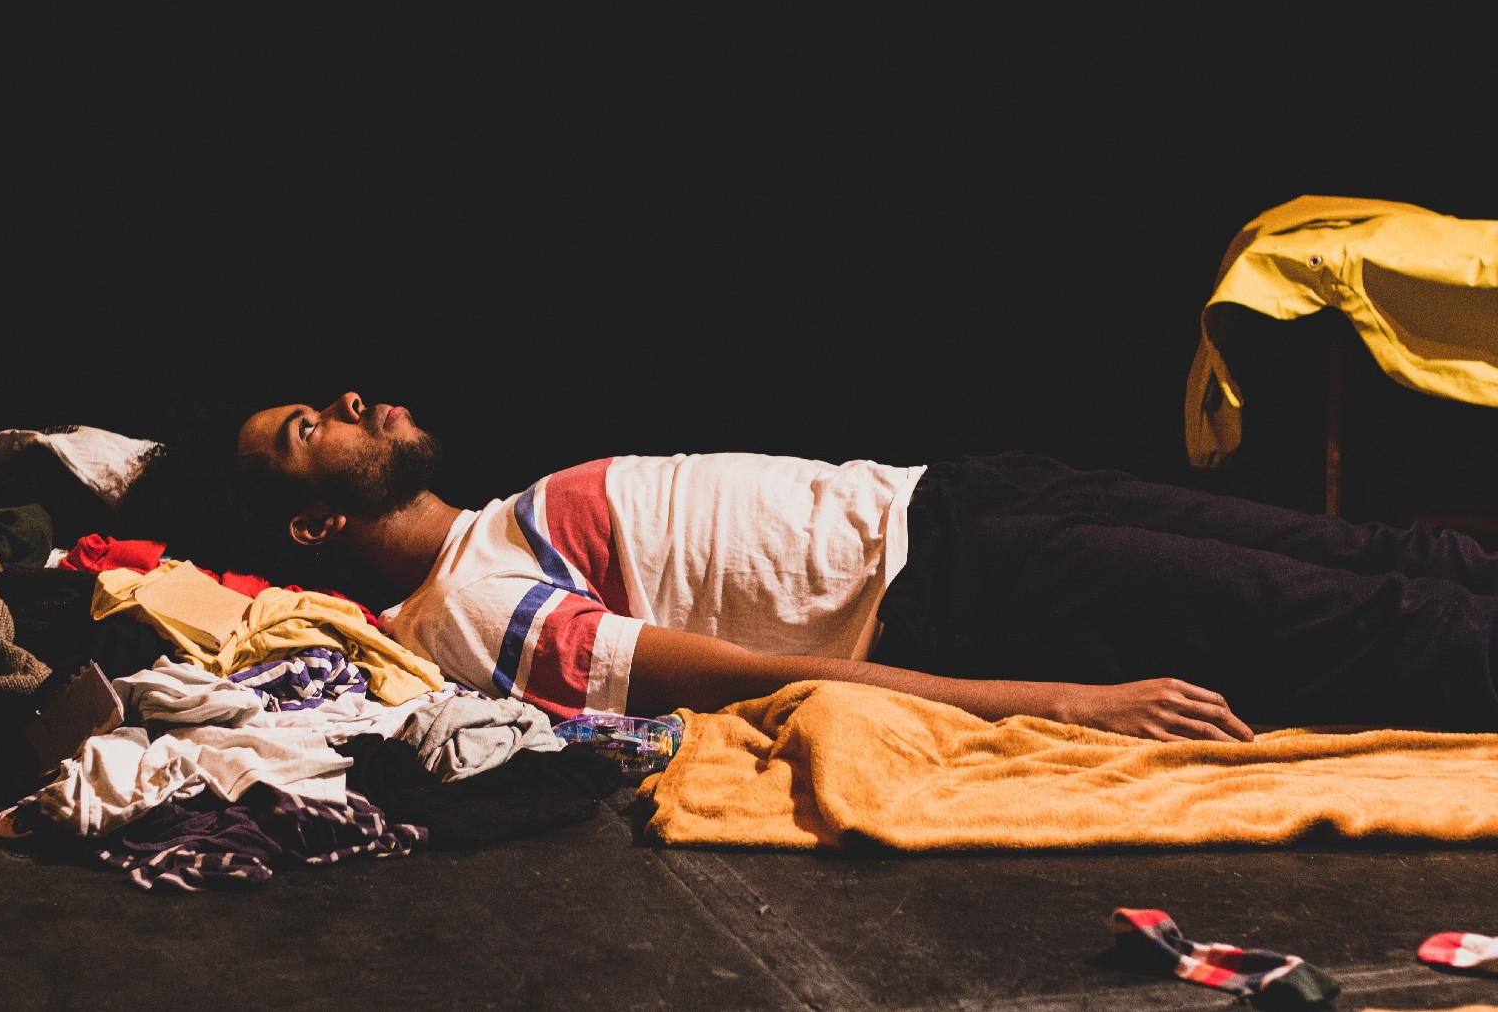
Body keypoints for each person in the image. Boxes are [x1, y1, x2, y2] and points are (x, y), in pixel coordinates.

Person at [199, 390, 1498, 745]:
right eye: (307, 429)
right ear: (309, 527)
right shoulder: (467, 613)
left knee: (1392, 552)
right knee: (1382, 618)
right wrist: (1063, 702)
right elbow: (747, 679)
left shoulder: (495, 522)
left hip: (955, 496)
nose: (349, 402)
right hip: (963, 589)